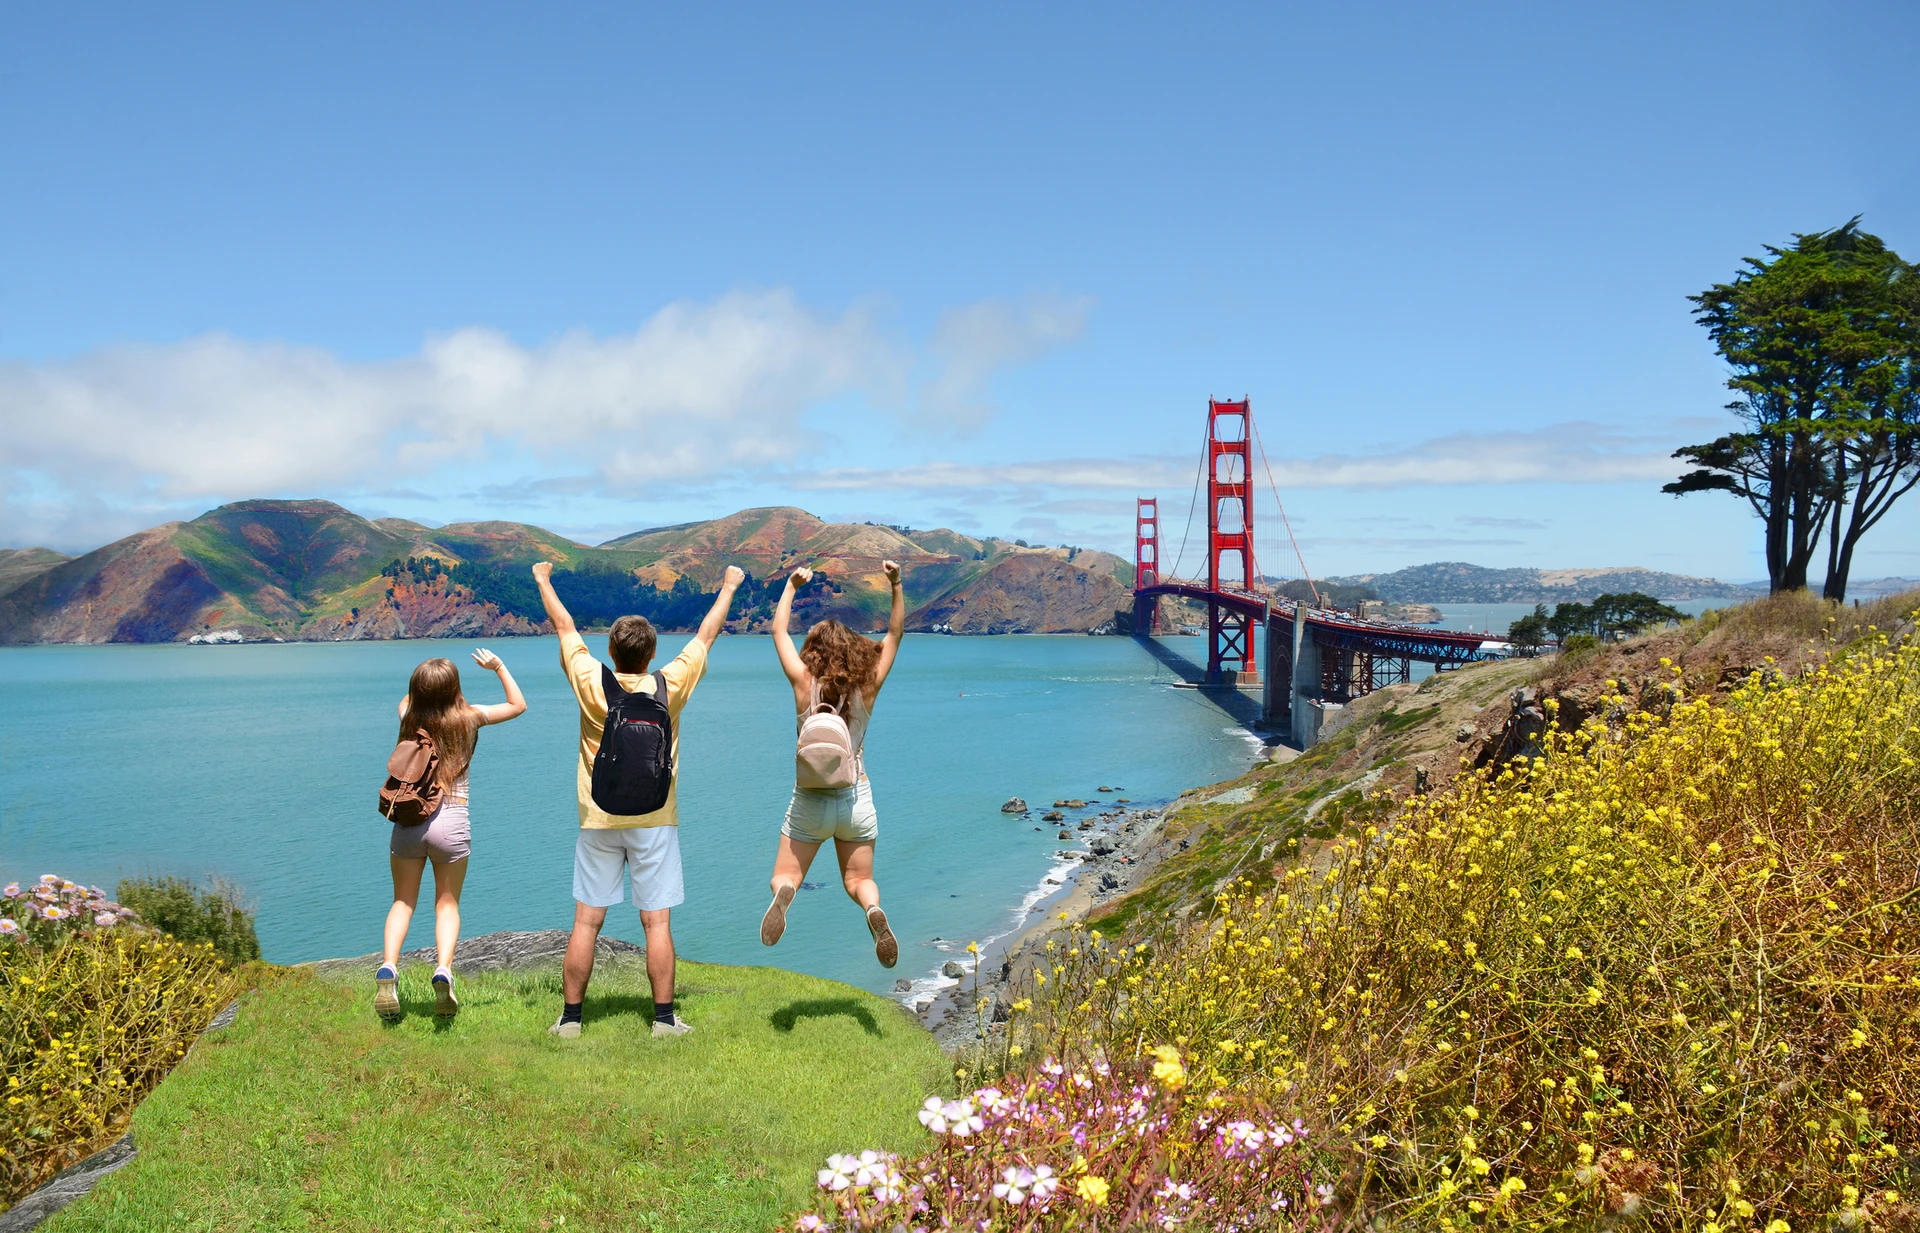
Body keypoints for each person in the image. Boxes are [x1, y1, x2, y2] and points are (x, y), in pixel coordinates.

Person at [534, 559, 744, 1039]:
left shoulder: (591, 680)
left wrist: (543, 580)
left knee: (586, 922)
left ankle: (570, 1021)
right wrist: (729, 585)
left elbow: (563, 625)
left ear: (611, 650)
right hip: (656, 817)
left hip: (598, 816)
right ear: (651, 655)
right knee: (656, 922)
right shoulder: (669, 686)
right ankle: (664, 1020)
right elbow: (706, 635)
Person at [758, 560, 905, 967]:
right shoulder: (869, 683)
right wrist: (895, 584)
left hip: (808, 799)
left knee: (784, 874)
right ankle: (873, 910)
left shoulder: (804, 682)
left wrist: (790, 586)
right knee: (859, 880)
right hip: (855, 797)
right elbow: (894, 633)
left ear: (814, 650)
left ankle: (786, 893)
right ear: (855, 647)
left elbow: (777, 631)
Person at [375, 649, 526, 1022]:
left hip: (409, 820)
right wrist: (498, 666)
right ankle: (443, 970)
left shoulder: (408, 717)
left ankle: (389, 968)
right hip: (452, 823)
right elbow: (517, 704)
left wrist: (423, 686)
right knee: (446, 904)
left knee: (402, 903)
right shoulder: (469, 719)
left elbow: (409, 699)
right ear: (454, 689)